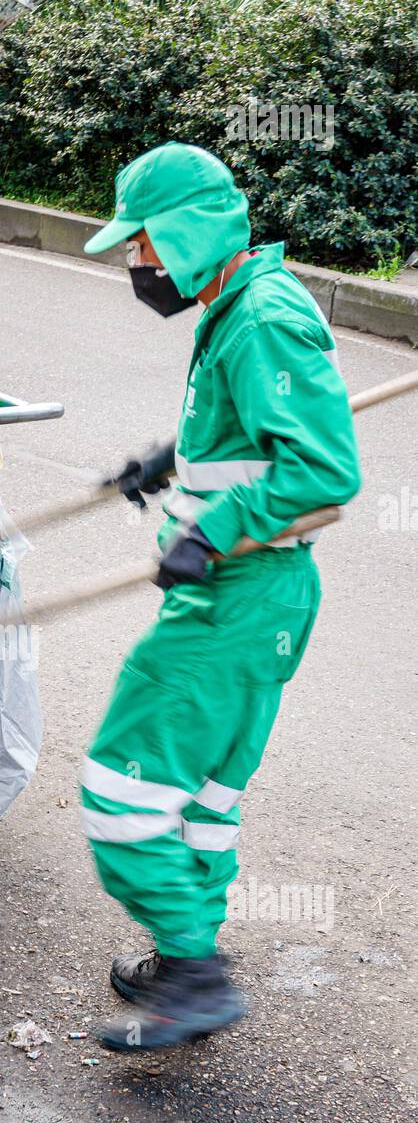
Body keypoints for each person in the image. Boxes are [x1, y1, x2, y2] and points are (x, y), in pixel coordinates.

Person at [81, 142, 361, 1051]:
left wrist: (210, 530)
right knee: (201, 795)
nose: (137, 265)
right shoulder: (235, 305)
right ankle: (186, 952)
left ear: (189, 234)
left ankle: (197, 980)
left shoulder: (261, 321)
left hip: (239, 594)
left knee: (119, 789)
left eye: (144, 246)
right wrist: (172, 462)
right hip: (260, 595)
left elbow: (324, 474)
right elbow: (255, 431)